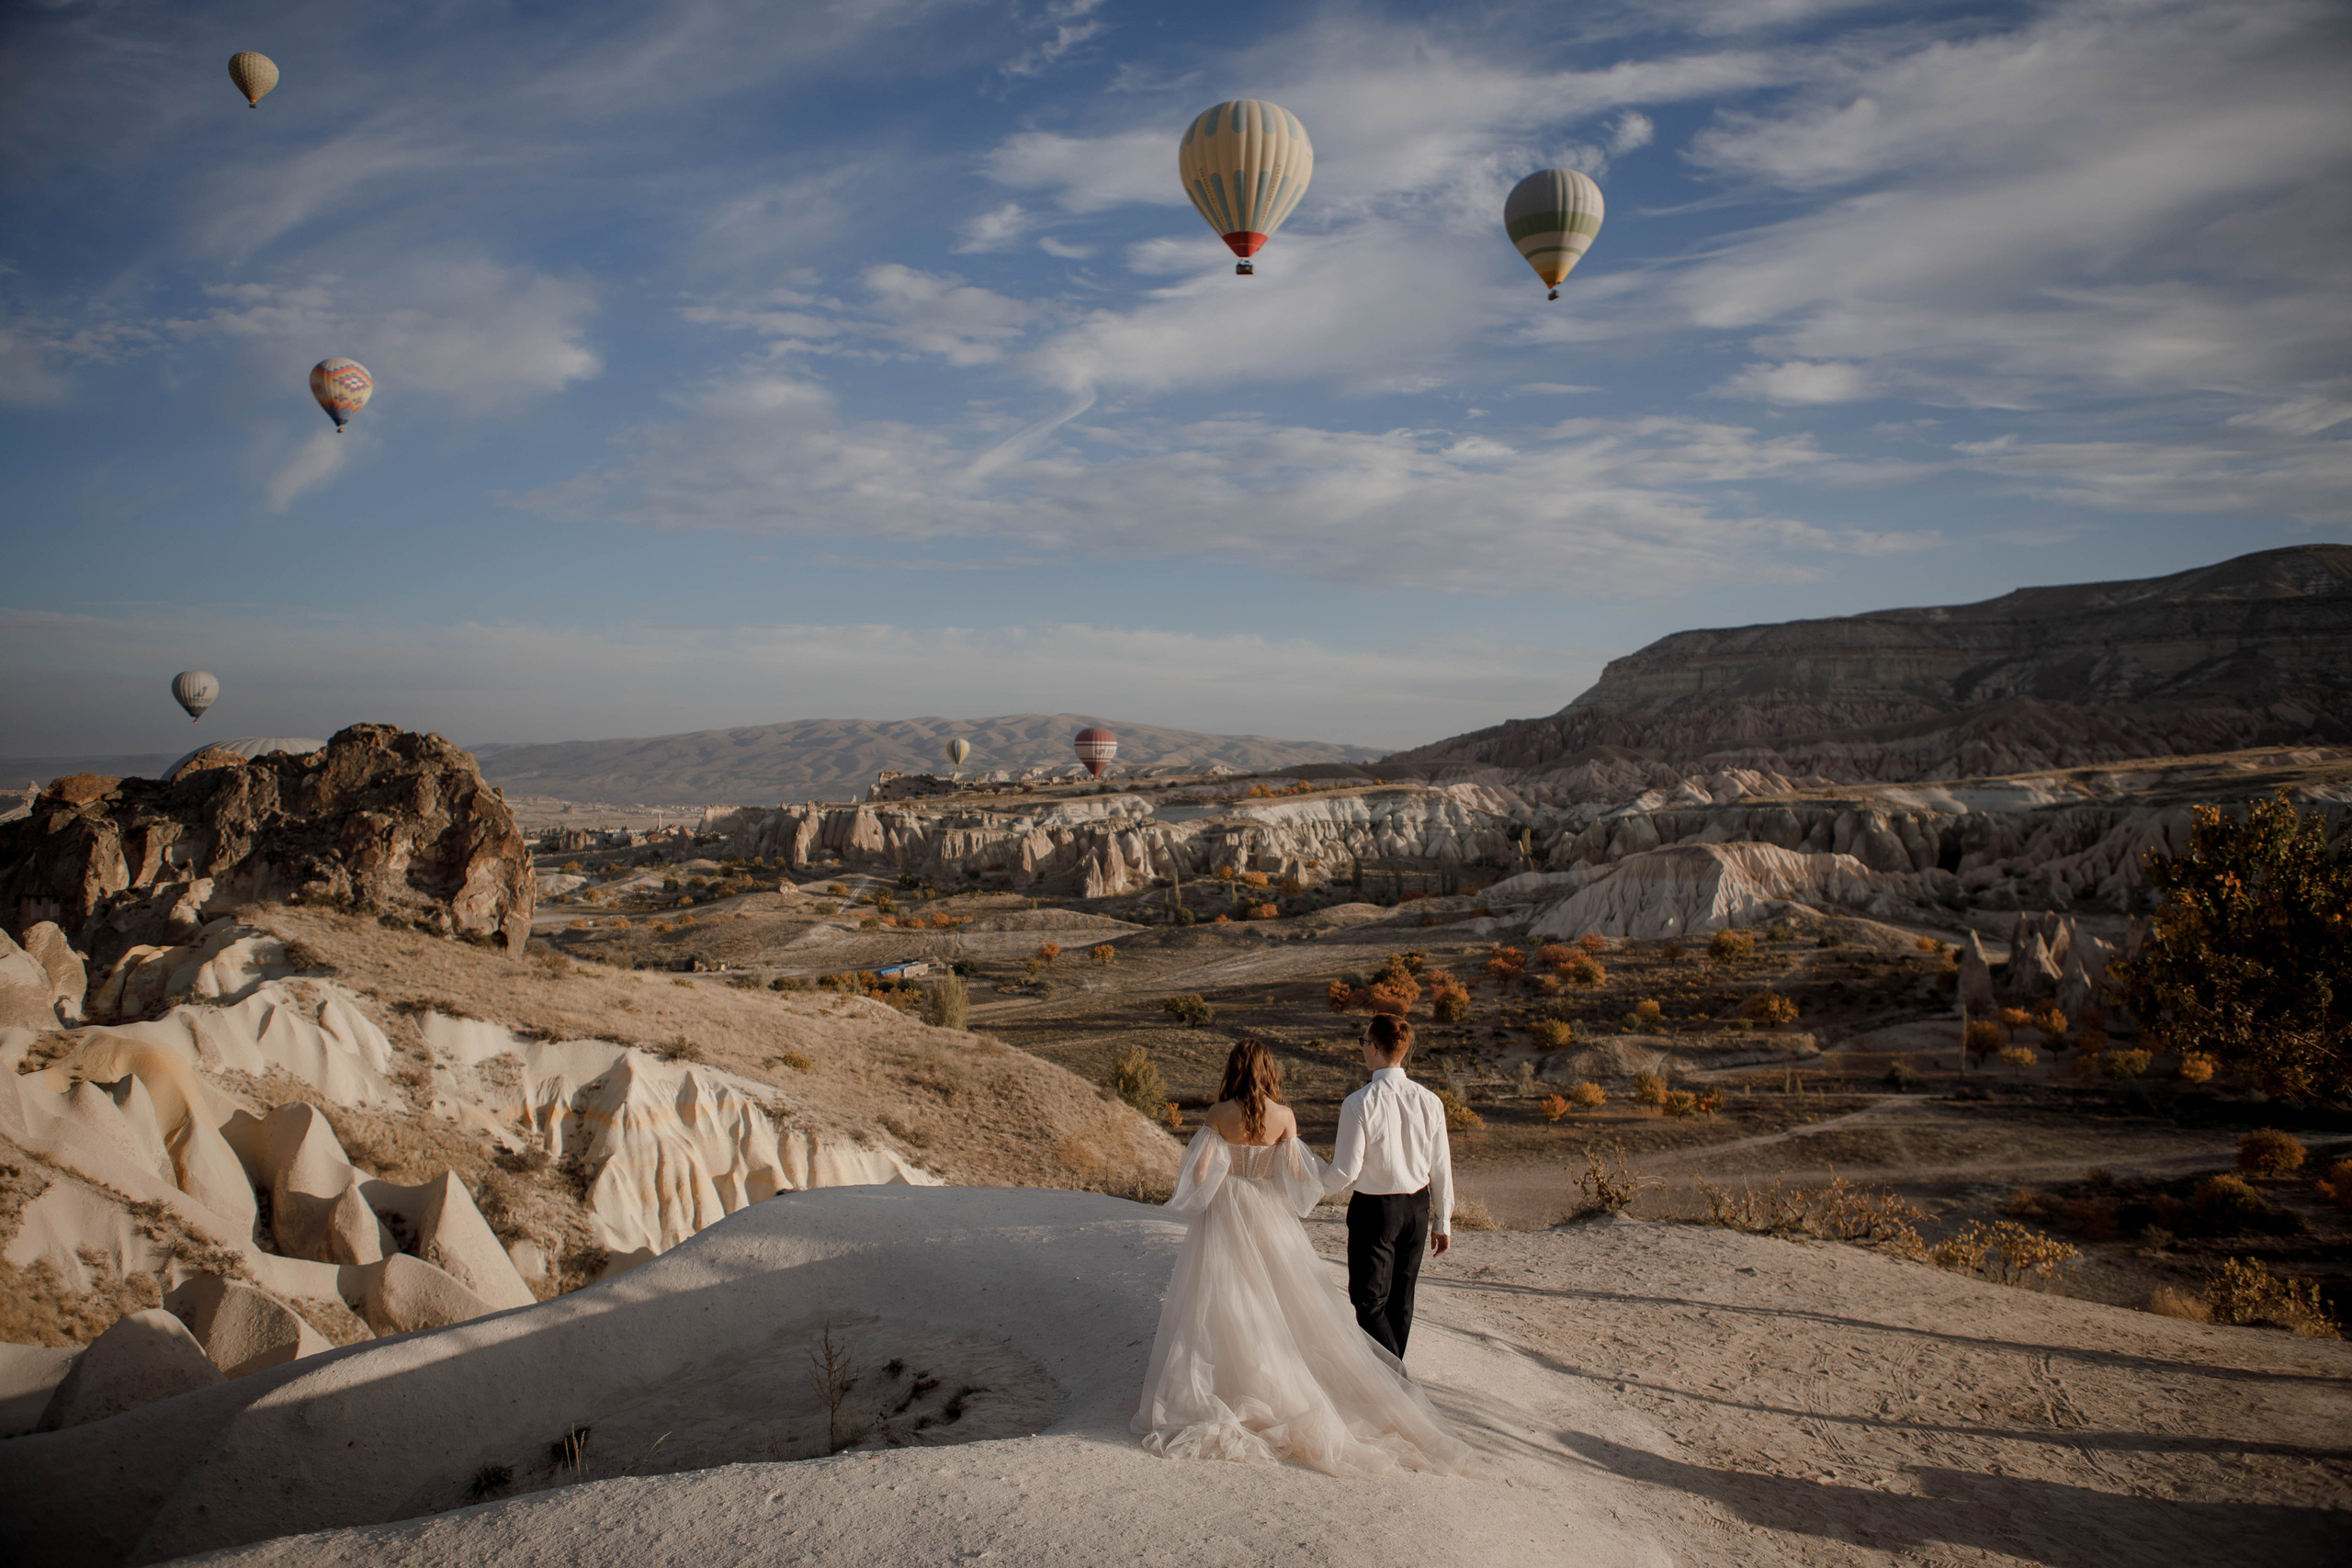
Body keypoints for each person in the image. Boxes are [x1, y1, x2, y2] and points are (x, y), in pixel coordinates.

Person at [1132, 1039, 1469, 1477]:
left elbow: (1198, 1173)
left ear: (1234, 1069)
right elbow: (1298, 1175)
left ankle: (1229, 1382)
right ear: (1269, 1070)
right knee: (1275, 1295)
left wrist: (1217, 1178)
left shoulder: (1218, 1114)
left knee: (1223, 1296)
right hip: (1268, 1212)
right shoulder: (1284, 1117)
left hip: (1226, 1209)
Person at [1326, 1013, 1453, 1358]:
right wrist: (1443, 1222)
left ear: (1376, 1048)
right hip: (1418, 1208)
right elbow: (1441, 1166)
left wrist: (1310, 1186)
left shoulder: (1358, 1102)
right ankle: (1394, 1385)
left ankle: (1399, 1384)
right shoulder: (1430, 1100)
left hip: (1375, 1209)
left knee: (1368, 1303)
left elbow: (1345, 1171)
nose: (1363, 1048)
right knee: (1401, 1300)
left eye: (1364, 1042)